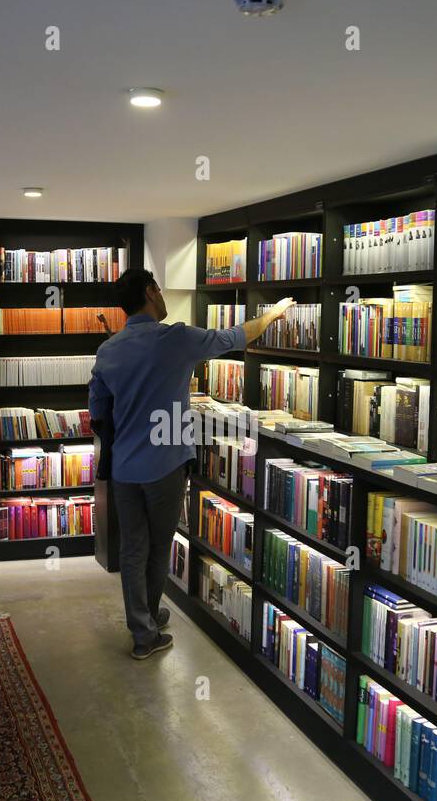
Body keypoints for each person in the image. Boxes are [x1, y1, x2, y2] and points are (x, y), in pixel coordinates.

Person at [88, 268, 294, 659]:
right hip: (165, 463)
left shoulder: (108, 350)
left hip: (124, 469)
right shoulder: (176, 339)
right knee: (159, 545)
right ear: (151, 293)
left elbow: (97, 409)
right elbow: (236, 336)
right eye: (160, 290)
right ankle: (147, 625)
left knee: (134, 549)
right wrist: (274, 313)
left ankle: (142, 627)